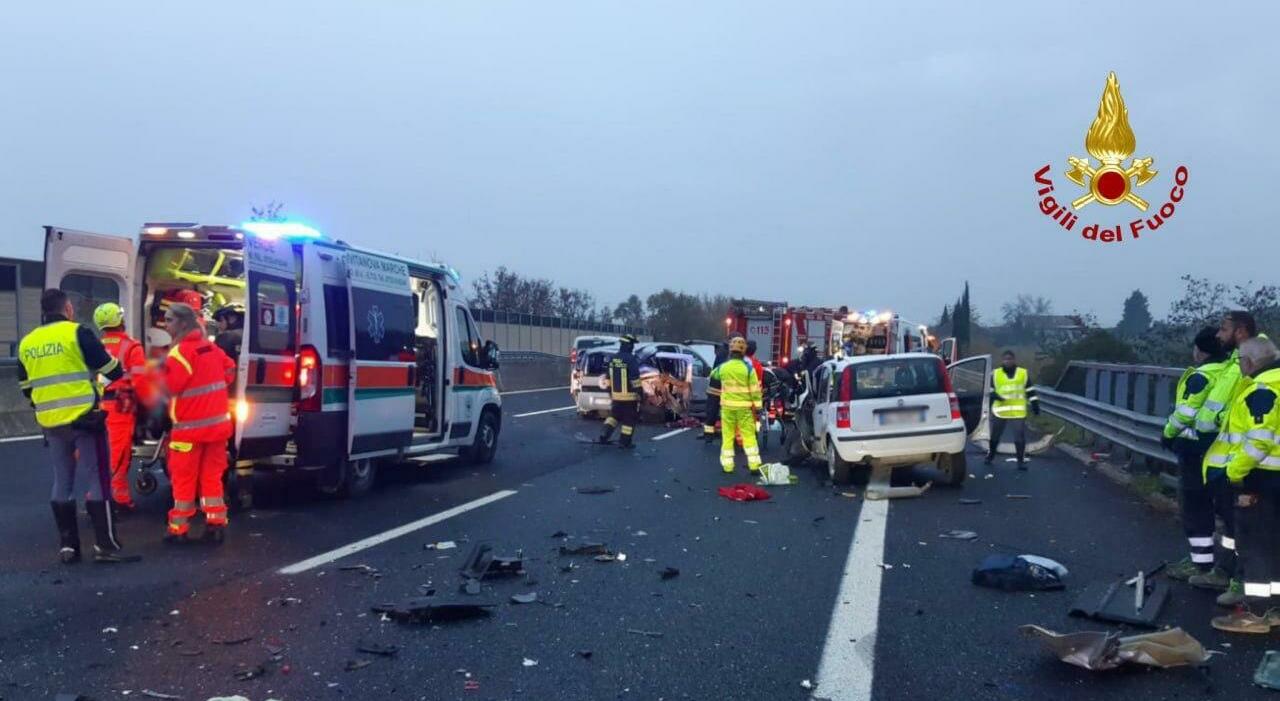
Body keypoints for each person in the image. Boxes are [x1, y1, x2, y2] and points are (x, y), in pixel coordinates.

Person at [17, 289, 139, 564]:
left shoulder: (27, 343)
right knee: (97, 477)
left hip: (50, 421)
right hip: (84, 418)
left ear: (43, 311)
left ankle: (69, 547)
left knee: (63, 481)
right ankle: (105, 546)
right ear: (68, 308)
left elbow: (25, 387)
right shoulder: (77, 333)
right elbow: (112, 370)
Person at [1190, 310, 1265, 600]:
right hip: (1233, 460)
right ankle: (1229, 573)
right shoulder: (1237, 363)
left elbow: (1257, 426)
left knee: (1250, 527)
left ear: (1241, 332)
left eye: (1224, 330)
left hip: (1247, 463)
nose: (1219, 336)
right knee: (1234, 524)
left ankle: (1249, 592)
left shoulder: (1252, 366)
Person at [1207, 337, 1280, 633]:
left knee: (1254, 547)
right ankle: (1274, 609)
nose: (1239, 365)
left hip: (1259, 478)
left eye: (1239, 361)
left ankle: (1256, 614)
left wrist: (1234, 474)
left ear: (1249, 362)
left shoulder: (1260, 392)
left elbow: (1258, 441)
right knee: (1274, 545)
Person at [1160, 327, 1231, 581]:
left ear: (1199, 351)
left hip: (1194, 452)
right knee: (1228, 511)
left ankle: (1201, 564)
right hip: (1226, 454)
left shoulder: (1201, 376)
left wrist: (1167, 434)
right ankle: (1228, 571)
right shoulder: (1233, 373)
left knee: (1196, 508)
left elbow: (1185, 414)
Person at [162, 303, 235, 544]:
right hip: (217, 428)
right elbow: (230, 369)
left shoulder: (179, 353)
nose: (165, 324)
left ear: (183, 324)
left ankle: (179, 529)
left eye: (169, 319)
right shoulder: (210, 348)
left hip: (188, 431)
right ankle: (215, 524)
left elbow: (170, 388)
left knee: (183, 480)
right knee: (212, 478)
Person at [93, 302, 147, 515]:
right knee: (118, 455)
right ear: (120, 321)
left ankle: (96, 497)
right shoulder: (132, 347)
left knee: (98, 453)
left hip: (97, 407)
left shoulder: (94, 346)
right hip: (120, 407)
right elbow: (140, 381)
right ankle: (117, 500)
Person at [711, 336, 763, 473]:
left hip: (727, 409)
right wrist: (758, 407)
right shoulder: (748, 369)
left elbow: (713, 375)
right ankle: (754, 466)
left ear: (730, 351)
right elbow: (755, 390)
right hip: (744, 409)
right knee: (749, 437)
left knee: (727, 437)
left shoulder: (723, 368)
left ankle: (728, 467)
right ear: (744, 351)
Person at [985, 350, 1039, 468]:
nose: (1007, 361)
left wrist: (1035, 405)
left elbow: (1030, 390)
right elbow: (989, 390)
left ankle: (1020, 461)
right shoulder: (996, 373)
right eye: (1005, 359)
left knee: (1019, 436)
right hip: (1000, 410)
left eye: (1009, 359)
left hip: (1017, 411)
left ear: (1014, 360)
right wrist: (994, 397)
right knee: (995, 435)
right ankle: (991, 455)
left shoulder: (1022, 373)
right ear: (1002, 360)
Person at [598, 334, 642, 449]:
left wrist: (610, 393)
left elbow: (607, 378)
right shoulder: (631, 359)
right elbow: (635, 379)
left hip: (616, 397)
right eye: (632, 345)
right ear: (627, 345)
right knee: (629, 420)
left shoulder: (613, 358)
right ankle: (624, 442)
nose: (633, 347)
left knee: (614, 416)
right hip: (629, 398)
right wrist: (640, 393)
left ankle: (604, 434)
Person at [702, 344, 728, 442]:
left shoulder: (721, 354)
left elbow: (715, 371)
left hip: (715, 389)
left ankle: (708, 435)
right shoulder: (735, 356)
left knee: (711, 414)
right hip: (727, 391)